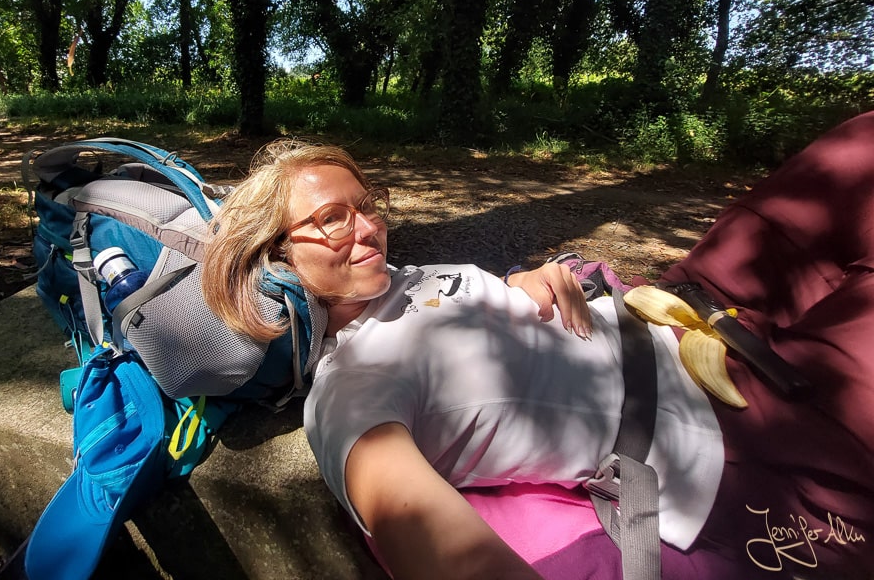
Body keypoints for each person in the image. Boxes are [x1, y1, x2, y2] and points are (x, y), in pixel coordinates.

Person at [201, 115, 874, 580]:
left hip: (686, 308)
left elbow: (468, 307)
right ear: (276, 255)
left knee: (859, 146)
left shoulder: (405, 281)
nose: (368, 227)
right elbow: (436, 546)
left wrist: (520, 284)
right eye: (331, 219)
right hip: (734, 426)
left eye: (368, 205)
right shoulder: (352, 388)